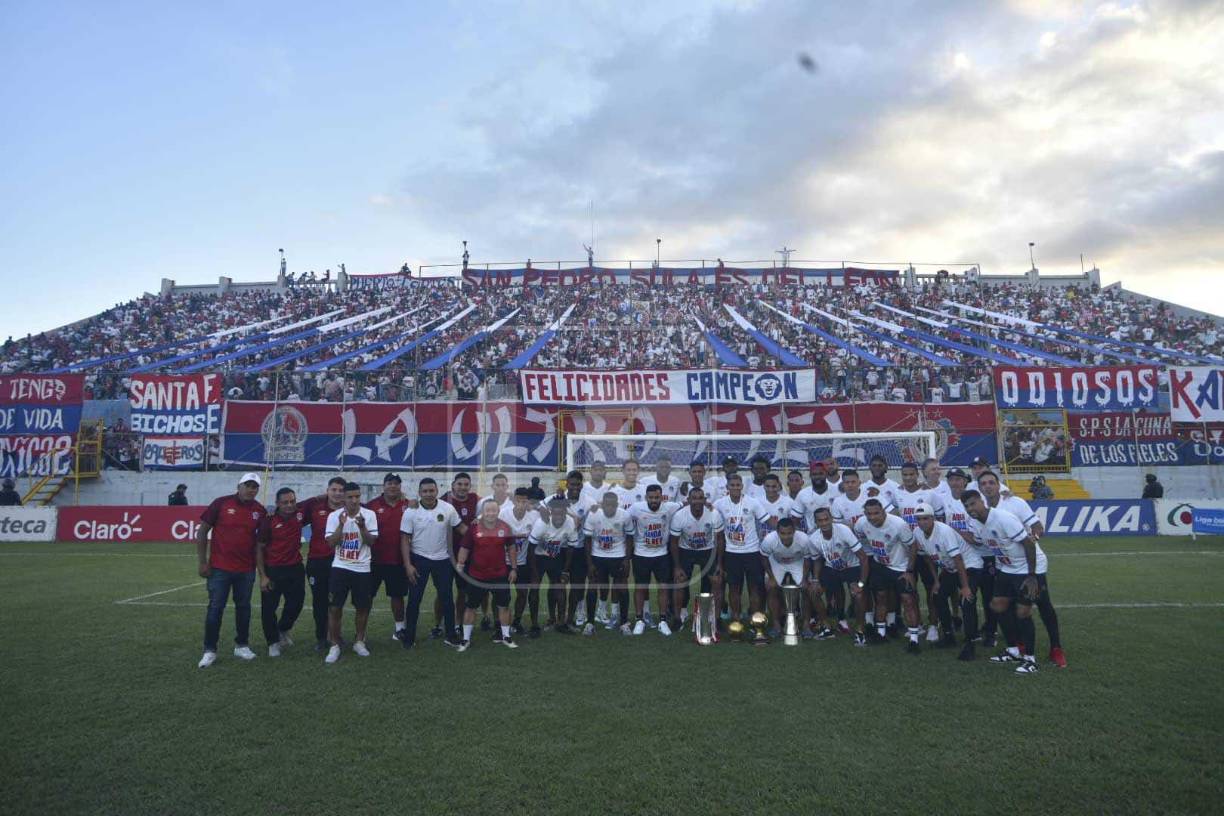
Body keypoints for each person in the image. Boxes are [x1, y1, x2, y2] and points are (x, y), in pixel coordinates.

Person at [977, 471, 1065, 668]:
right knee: (1003, 606)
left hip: (1029, 563)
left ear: (999, 485)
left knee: (1043, 605)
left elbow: (1037, 526)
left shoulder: (1014, 502)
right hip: (1005, 566)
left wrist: (1033, 540)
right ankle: (1018, 647)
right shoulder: (980, 510)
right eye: (984, 484)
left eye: (992, 482)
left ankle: (1056, 648)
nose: (988, 486)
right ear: (980, 489)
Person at [963, 490, 1049, 674]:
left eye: (973, 503)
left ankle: (1030, 659)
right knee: (997, 605)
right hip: (1007, 568)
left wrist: (1032, 576)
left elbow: (1028, 543)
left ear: (981, 501)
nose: (971, 508)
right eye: (967, 506)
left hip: (1029, 568)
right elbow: (980, 542)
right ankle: (1013, 650)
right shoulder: (975, 524)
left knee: (1023, 611)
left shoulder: (1003, 518)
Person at [195, 473, 267, 668]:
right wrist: (203, 562)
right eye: (248, 485)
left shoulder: (260, 511)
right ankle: (210, 650)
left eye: (255, 487)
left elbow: (261, 543)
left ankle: (241, 645)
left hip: (246, 570)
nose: (251, 489)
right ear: (239, 486)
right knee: (215, 609)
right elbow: (202, 531)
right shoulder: (221, 503)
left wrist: (261, 572)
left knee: (243, 608)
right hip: (219, 569)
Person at [400, 477, 466, 649]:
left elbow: (462, 529)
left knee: (447, 598)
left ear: (437, 491)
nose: (429, 494)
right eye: (425, 491)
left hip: (443, 560)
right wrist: (408, 565)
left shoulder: (447, 508)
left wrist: (480, 532)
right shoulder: (411, 511)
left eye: (432, 490)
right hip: (419, 559)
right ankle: (409, 637)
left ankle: (450, 635)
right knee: (414, 600)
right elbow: (405, 540)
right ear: (420, 493)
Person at [911, 502, 979, 661]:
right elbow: (928, 558)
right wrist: (936, 581)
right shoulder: (917, 532)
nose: (922, 522)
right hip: (950, 568)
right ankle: (949, 635)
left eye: (926, 518)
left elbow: (959, 559)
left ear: (933, 518)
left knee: (966, 600)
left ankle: (971, 642)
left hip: (969, 565)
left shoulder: (944, 531)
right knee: (938, 596)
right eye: (919, 519)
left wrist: (965, 586)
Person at [854, 499, 922, 652]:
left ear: (884, 512)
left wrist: (909, 571)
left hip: (900, 567)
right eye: (869, 514)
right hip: (880, 565)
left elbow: (913, 546)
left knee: (908, 600)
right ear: (864, 514)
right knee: (880, 597)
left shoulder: (898, 524)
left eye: (876, 513)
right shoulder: (861, 523)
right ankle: (881, 633)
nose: (872, 517)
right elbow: (862, 539)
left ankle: (914, 640)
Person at [322, 482, 378, 664]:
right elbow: (331, 543)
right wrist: (341, 525)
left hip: (362, 568)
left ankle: (359, 641)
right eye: (350, 497)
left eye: (357, 497)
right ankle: (335, 644)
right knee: (335, 607)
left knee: (362, 607)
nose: (354, 501)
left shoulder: (369, 515)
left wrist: (362, 528)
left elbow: (371, 542)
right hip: (340, 566)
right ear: (344, 498)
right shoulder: (334, 516)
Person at [454, 501, 519, 651]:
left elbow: (511, 548)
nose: (491, 513)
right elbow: (465, 547)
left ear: (498, 511)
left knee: (503, 606)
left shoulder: (505, 527)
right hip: (477, 575)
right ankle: (465, 639)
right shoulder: (474, 527)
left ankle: (506, 636)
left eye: (494, 510)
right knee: (470, 607)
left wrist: (514, 568)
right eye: (487, 510)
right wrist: (460, 563)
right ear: (483, 512)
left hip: (500, 575)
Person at [714, 474, 771, 627]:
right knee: (734, 588)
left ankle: (755, 619)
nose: (735, 488)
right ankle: (736, 619)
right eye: (732, 485)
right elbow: (712, 519)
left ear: (742, 486)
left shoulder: (753, 503)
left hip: (752, 551)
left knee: (754, 588)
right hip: (731, 552)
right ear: (727, 487)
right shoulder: (719, 504)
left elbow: (767, 521)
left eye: (738, 485)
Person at [298, 477, 347, 652]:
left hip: (341, 562)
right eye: (334, 490)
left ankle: (335, 635)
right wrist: (314, 498)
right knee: (319, 602)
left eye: (341, 490)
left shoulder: (352, 509)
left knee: (336, 602)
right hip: (317, 562)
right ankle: (321, 637)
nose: (337, 493)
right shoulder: (315, 506)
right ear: (327, 490)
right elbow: (293, 512)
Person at [806, 506, 869, 644]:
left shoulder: (844, 531)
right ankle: (826, 627)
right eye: (820, 521)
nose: (824, 523)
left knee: (858, 595)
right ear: (816, 523)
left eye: (826, 519)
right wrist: (815, 579)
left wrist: (861, 584)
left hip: (852, 567)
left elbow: (863, 557)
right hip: (831, 568)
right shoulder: (813, 538)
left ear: (832, 519)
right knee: (813, 591)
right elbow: (817, 560)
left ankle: (860, 631)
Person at [256, 487, 306, 657]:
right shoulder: (268, 520)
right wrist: (263, 575)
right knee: (269, 608)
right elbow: (260, 547)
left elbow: (317, 500)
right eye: (285, 502)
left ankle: (283, 629)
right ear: (277, 504)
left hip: (295, 568)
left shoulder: (300, 514)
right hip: (273, 569)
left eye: (292, 501)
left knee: (296, 603)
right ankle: (272, 642)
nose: (289, 505)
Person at [668, 487, 725, 629]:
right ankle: (676, 618)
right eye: (694, 498)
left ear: (705, 500)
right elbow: (674, 542)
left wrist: (719, 564)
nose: (697, 501)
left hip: (707, 550)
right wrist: (676, 567)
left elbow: (720, 540)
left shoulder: (714, 514)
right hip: (686, 550)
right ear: (688, 500)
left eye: (700, 498)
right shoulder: (680, 515)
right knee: (679, 580)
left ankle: (717, 619)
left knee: (717, 581)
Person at [628, 484, 680, 636]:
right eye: (651, 498)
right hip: (641, 553)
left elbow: (686, 504)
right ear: (646, 498)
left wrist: (709, 506)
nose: (654, 500)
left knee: (663, 587)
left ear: (662, 497)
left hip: (662, 553)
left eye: (657, 497)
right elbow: (622, 516)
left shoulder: (670, 507)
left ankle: (662, 620)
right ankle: (639, 619)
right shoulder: (636, 508)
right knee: (640, 587)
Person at [581, 492, 635, 635]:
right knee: (592, 588)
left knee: (622, 588)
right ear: (602, 504)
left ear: (617, 505)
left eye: (612, 505)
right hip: (598, 556)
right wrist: (589, 563)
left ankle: (624, 623)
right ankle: (590, 623)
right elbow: (587, 539)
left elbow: (630, 537)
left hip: (618, 556)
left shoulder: (624, 515)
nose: (609, 508)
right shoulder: (594, 515)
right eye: (607, 504)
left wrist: (626, 560)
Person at [365, 474, 411, 643]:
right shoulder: (372, 506)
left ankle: (400, 629)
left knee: (397, 596)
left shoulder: (409, 505)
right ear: (383, 486)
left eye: (396, 484)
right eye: (390, 483)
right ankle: (361, 631)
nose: (393, 486)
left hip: (398, 560)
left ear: (400, 486)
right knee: (367, 596)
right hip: (373, 560)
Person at [759, 518, 820, 639]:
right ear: (777, 532)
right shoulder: (769, 540)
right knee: (771, 588)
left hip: (797, 562)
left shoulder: (804, 539)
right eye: (782, 533)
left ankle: (806, 626)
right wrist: (771, 578)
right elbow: (763, 558)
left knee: (806, 589)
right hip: (777, 562)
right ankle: (776, 626)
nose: (786, 536)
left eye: (789, 533)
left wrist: (804, 579)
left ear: (794, 531)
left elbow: (808, 560)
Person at [529, 498, 577, 635]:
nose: (558, 517)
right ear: (550, 513)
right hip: (538, 558)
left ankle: (560, 623)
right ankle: (534, 625)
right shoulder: (542, 524)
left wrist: (565, 570)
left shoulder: (570, 522)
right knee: (534, 589)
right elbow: (531, 548)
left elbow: (570, 549)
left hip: (556, 557)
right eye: (555, 514)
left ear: (565, 513)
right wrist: (533, 571)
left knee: (560, 588)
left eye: (561, 514)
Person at [501, 488, 542, 636]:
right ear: (514, 500)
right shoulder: (504, 513)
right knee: (501, 595)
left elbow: (547, 513)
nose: (521, 503)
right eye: (518, 500)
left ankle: (517, 621)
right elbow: (488, 518)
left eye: (525, 501)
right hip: (503, 562)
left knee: (522, 593)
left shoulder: (534, 516)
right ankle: (499, 624)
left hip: (523, 562)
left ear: (528, 502)